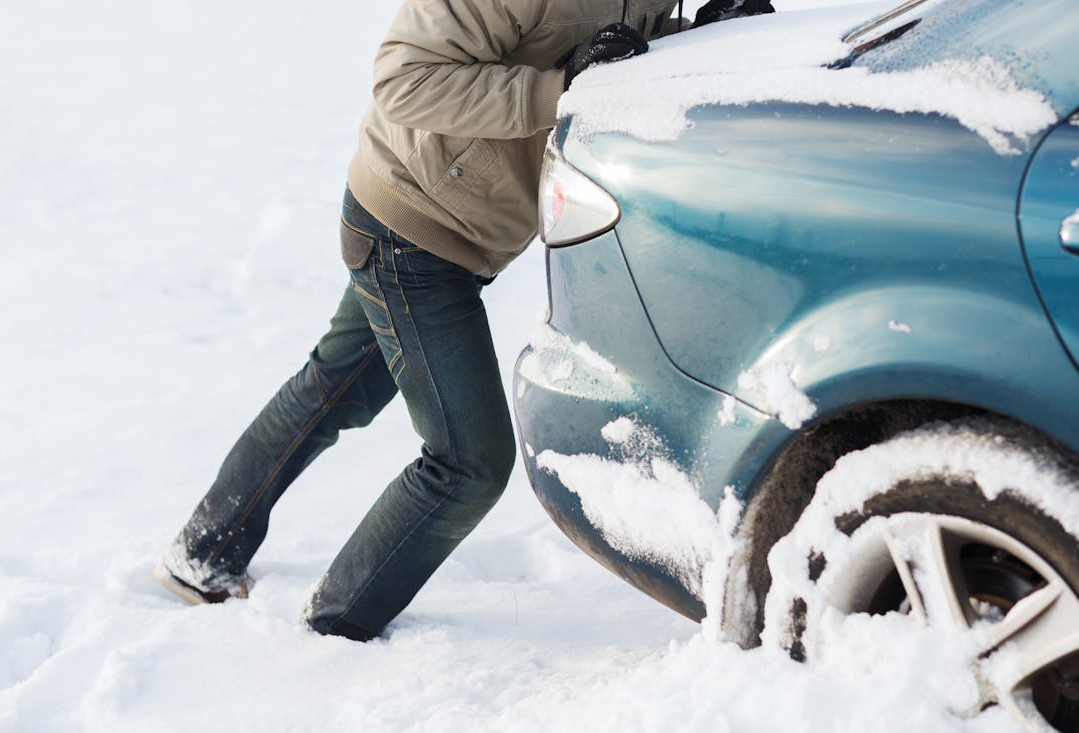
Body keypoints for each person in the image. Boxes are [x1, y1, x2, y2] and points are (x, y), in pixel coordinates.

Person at [155, 0, 770, 641]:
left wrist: (701, 40)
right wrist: (558, 90)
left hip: (460, 229)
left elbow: (615, 49)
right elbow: (404, 80)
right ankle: (336, 630)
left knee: (336, 388)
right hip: (411, 225)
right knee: (467, 464)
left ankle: (203, 551)